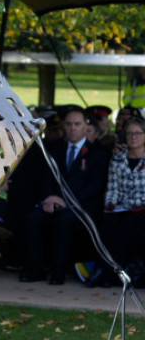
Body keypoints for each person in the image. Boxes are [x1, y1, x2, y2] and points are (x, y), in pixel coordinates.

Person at [20, 106, 109, 285]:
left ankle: (59, 270)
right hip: (53, 203)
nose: (73, 128)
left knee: (65, 220)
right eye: (69, 124)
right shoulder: (53, 148)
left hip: (81, 208)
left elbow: (93, 187)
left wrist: (66, 202)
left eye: (77, 124)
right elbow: (46, 178)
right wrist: (48, 198)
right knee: (32, 219)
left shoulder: (97, 153)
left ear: (86, 126)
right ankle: (37, 268)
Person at [88, 116, 145, 286]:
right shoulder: (117, 160)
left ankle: (108, 273)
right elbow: (112, 189)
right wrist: (110, 206)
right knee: (108, 224)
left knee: (128, 227)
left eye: (138, 133)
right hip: (122, 207)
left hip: (142, 210)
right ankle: (106, 270)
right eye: (129, 134)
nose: (133, 137)